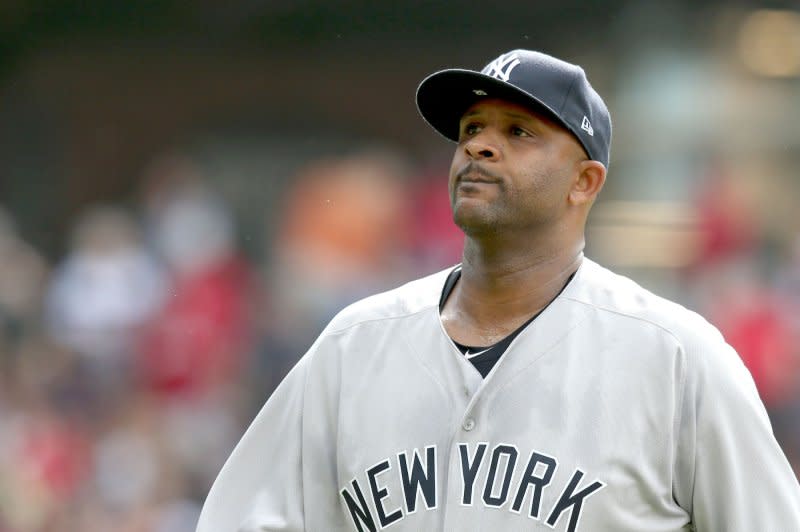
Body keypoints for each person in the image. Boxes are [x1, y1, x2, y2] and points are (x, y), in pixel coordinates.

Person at [196, 50, 800, 532]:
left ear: (584, 182)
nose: (479, 146)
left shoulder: (677, 357)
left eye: (518, 132)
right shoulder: (354, 345)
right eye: (472, 128)